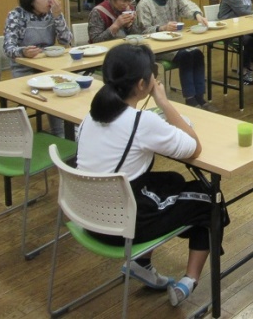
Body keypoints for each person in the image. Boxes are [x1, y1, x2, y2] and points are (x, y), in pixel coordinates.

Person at [76, 44, 221, 307]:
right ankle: (190, 280)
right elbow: (194, 147)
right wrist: (163, 102)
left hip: (89, 217)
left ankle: (141, 264)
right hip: (121, 227)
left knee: (173, 180)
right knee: (209, 198)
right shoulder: (142, 122)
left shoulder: (90, 116)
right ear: (143, 84)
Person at [137, 0, 217, 111]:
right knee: (186, 56)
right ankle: (190, 98)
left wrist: (197, 15)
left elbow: (188, 6)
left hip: (176, 42)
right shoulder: (145, 4)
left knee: (197, 54)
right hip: (157, 46)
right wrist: (162, 28)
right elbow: (144, 31)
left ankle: (200, 96)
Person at [3, 0, 73, 137]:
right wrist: (23, 52)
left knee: (63, 89)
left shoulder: (51, 14)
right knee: (50, 93)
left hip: (49, 67)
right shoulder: (17, 15)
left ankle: (63, 132)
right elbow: (8, 48)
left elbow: (66, 40)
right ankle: (58, 132)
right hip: (24, 70)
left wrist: (58, 16)